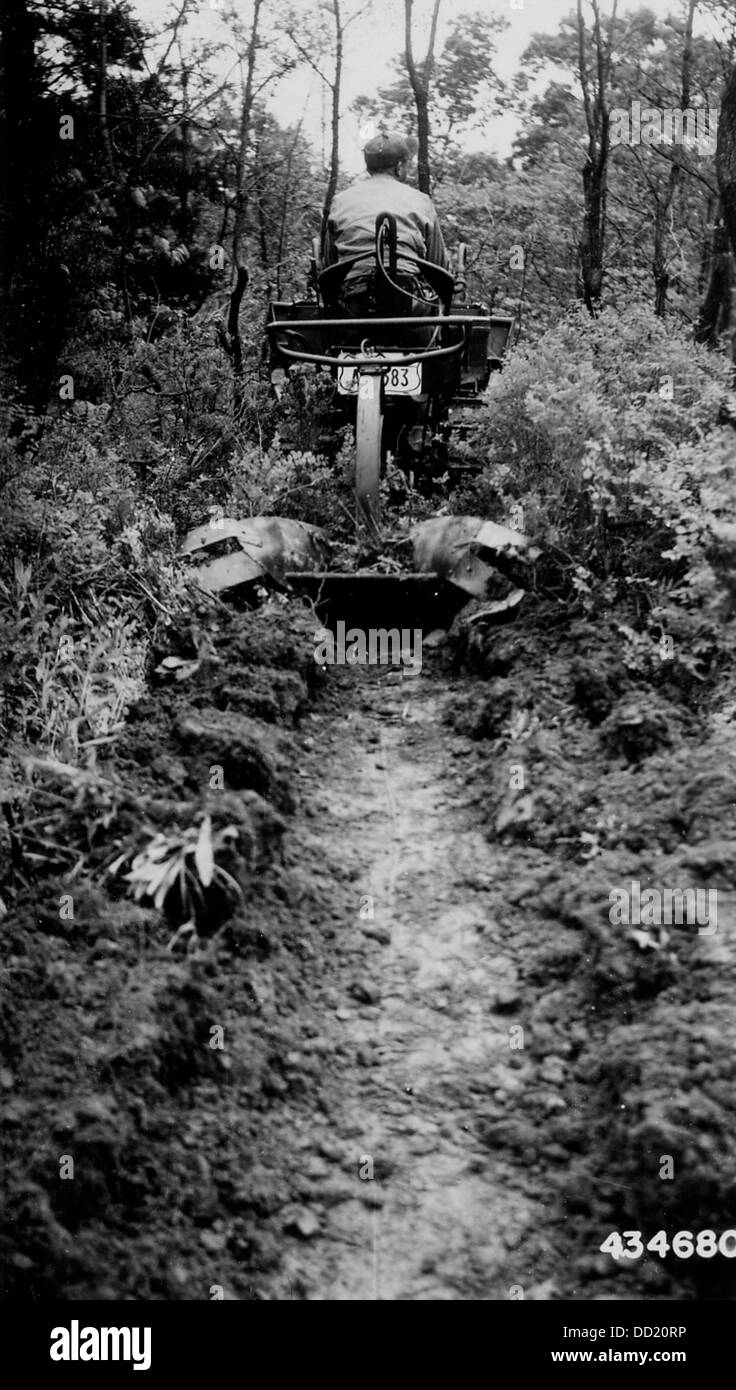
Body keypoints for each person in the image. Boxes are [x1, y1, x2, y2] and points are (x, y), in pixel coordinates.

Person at [321, 131, 453, 317]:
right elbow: (440, 267)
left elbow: (328, 267)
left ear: (369, 168)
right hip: (410, 306)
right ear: (399, 167)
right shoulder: (421, 201)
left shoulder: (340, 201)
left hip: (354, 305)